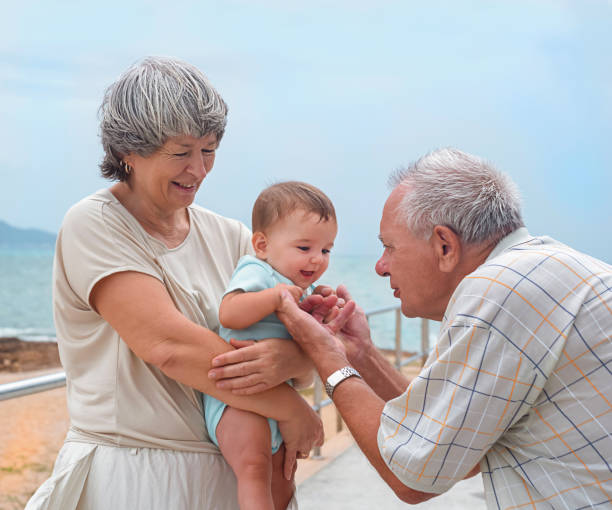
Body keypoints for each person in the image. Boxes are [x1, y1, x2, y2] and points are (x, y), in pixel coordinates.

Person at [25, 56, 322, 510]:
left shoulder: (235, 238)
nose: (199, 170)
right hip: (135, 476)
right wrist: (288, 406)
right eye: (181, 153)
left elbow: (301, 352)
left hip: (236, 476)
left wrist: (294, 355)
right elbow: (169, 346)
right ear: (129, 152)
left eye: (209, 150)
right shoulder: (95, 224)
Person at [255, 147, 611, 508]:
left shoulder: (500, 289)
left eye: (389, 247)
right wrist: (360, 355)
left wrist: (325, 356)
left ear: (444, 245)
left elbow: (413, 475)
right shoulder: (534, 272)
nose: (380, 267)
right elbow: (450, 449)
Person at [204, 181, 337, 510]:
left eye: (326, 250)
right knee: (254, 466)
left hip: (277, 398)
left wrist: (316, 314)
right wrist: (274, 298)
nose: (317, 259)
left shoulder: (298, 288)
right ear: (262, 244)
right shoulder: (258, 272)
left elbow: (305, 346)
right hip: (240, 400)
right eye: (304, 248)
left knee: (283, 480)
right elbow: (230, 312)